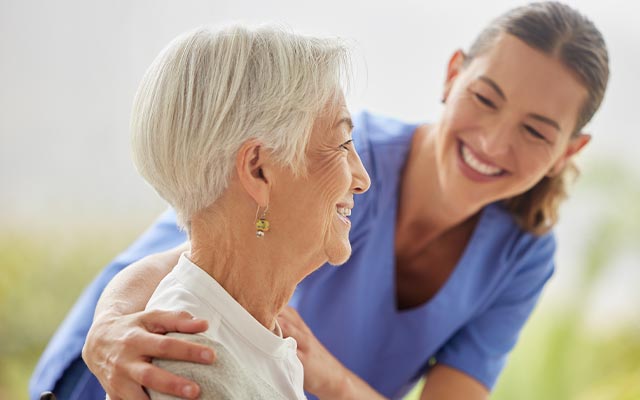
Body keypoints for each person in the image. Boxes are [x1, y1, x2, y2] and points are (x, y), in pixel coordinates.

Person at [30, 2, 609, 399]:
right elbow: (201, 238)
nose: (493, 142)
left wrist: (325, 376)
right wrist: (106, 330)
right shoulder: (338, 159)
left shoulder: (521, 255)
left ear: (569, 149)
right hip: (140, 370)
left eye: (535, 131)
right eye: (485, 98)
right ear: (453, 75)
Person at [33, 23, 371, 400]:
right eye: (342, 144)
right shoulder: (195, 366)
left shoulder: (245, 334)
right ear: (258, 170)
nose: (362, 179)